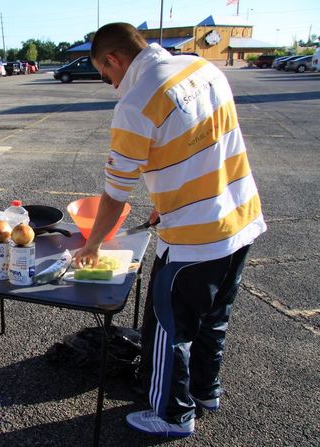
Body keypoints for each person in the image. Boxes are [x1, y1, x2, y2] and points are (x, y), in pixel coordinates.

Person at [73, 23, 267, 437]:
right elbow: (202, 144)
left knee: (166, 329)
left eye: (107, 76)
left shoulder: (137, 102)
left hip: (196, 240)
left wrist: (92, 244)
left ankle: (173, 414)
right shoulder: (203, 68)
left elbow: (115, 196)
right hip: (242, 218)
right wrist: (168, 204)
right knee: (214, 316)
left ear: (114, 59)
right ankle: (204, 391)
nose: (111, 86)